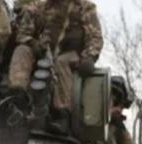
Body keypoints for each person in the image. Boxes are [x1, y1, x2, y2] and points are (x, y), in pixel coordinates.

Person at [7, 0, 103, 133]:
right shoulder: (41, 6)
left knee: (61, 62)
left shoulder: (84, 8)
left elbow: (94, 36)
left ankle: (62, 113)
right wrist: (32, 43)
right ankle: (17, 94)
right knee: (22, 50)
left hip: (71, 54)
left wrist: (90, 57)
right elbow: (23, 32)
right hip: (44, 52)